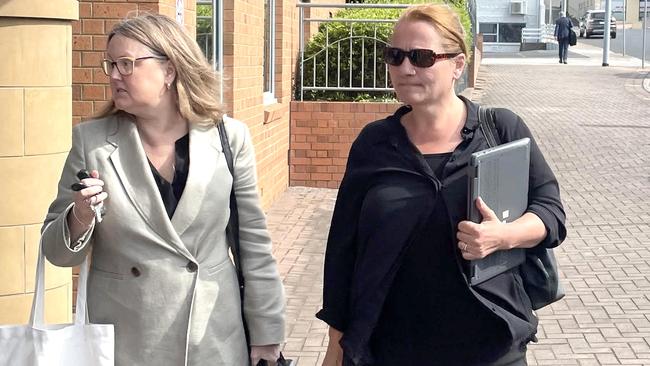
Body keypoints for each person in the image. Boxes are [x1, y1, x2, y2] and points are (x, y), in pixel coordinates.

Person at [317, 4, 567, 366]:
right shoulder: (373, 144)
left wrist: (504, 236)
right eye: (395, 55)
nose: (405, 68)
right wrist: (335, 347)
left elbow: (550, 211)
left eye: (421, 57)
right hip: (392, 349)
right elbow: (343, 252)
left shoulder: (500, 131)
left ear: (458, 66)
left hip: (491, 348)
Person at [41, 13, 285, 366]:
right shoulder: (92, 142)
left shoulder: (229, 138)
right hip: (127, 342)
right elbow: (58, 254)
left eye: (126, 64)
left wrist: (266, 333)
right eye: (109, 64)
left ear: (169, 70)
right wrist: (79, 216)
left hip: (211, 338)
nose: (113, 75)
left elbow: (254, 244)